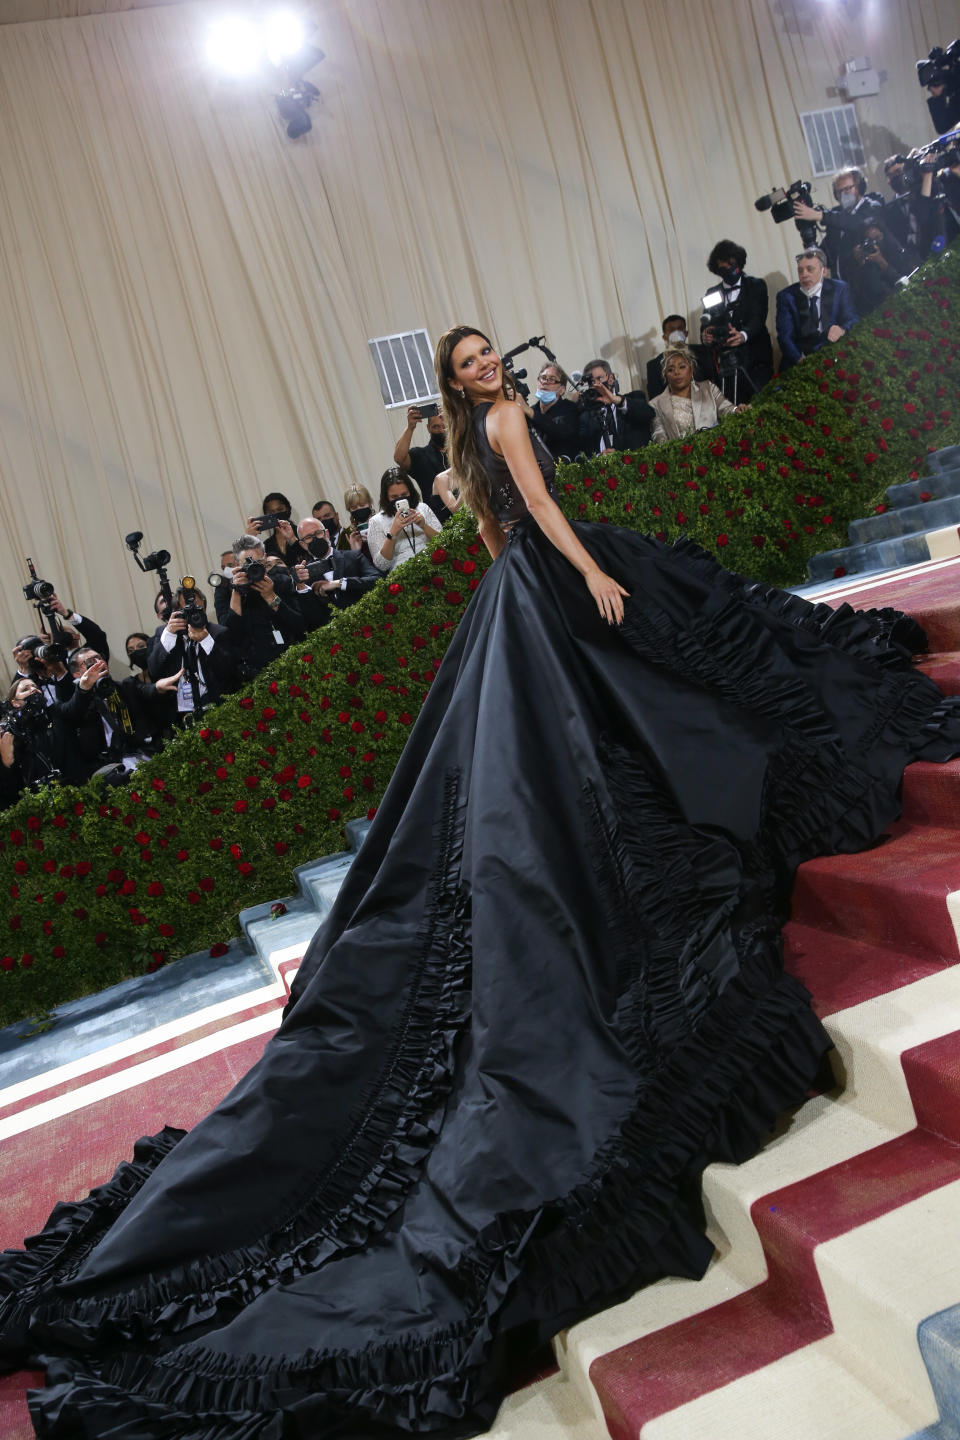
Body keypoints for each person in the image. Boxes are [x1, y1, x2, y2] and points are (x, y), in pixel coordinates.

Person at [6, 321, 960, 1438]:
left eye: (482, 358)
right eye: (466, 369)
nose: (484, 374)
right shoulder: (506, 423)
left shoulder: (464, 442)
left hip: (510, 600)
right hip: (554, 582)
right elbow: (544, 514)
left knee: (574, 755)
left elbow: (491, 531)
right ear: (465, 385)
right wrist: (598, 571)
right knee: (657, 707)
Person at [146, 589, 239, 720]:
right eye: (185, 607)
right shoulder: (165, 633)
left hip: (218, 708)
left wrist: (206, 640)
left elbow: (229, 672)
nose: (192, 610)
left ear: (204, 604)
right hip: (183, 714)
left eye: (196, 604)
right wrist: (169, 636)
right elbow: (154, 670)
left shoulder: (219, 632)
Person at [222, 534, 306, 677]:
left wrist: (270, 596)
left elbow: (300, 625)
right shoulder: (230, 592)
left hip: (294, 658)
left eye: (257, 562)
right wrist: (236, 592)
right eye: (247, 564)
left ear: (265, 558)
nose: (253, 568)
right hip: (259, 671)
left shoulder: (282, 581)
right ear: (237, 565)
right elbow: (232, 636)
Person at [791, 167, 883, 283]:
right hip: (844, 289)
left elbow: (856, 223)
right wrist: (808, 240)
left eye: (848, 189)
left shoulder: (872, 206)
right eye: (839, 191)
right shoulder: (836, 217)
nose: (843, 194)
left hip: (872, 286)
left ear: (859, 188)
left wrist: (819, 215)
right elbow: (826, 254)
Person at [776, 247, 859, 370]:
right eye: (800, 270)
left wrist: (842, 329)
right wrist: (802, 362)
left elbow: (853, 319)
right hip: (800, 360)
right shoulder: (787, 296)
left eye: (810, 269)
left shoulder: (839, 289)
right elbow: (785, 337)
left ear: (823, 271)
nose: (804, 275)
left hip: (833, 355)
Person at [649, 344, 748, 443]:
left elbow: (726, 408)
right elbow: (659, 437)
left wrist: (736, 410)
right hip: (682, 455)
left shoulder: (708, 388)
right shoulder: (655, 404)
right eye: (670, 369)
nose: (677, 372)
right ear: (665, 375)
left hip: (716, 447)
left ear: (691, 369)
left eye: (682, 367)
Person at [366, 467, 442, 574]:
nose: (400, 499)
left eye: (404, 495)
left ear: (410, 491)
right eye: (394, 497)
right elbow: (381, 565)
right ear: (386, 497)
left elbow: (442, 542)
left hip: (434, 566)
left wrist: (424, 526)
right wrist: (392, 533)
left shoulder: (423, 508)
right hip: (403, 578)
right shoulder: (376, 521)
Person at [294, 516, 379, 608]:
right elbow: (312, 616)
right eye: (308, 537)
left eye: (318, 533)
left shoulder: (353, 556)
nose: (315, 539)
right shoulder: (304, 575)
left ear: (326, 533)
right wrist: (301, 586)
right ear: (302, 544)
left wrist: (339, 583)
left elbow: (376, 580)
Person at [577, 356, 655, 453]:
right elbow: (584, 450)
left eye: (599, 378)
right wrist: (599, 458)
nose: (597, 385)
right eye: (592, 382)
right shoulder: (586, 416)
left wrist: (617, 400)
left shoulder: (635, 397)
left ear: (611, 378)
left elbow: (649, 414)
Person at [393, 405, 452, 521]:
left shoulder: (463, 451)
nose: (441, 430)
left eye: (444, 427)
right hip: (438, 521)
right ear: (428, 428)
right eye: (436, 427)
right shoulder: (420, 455)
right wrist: (410, 427)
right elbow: (399, 458)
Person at [847, 217, 913, 317]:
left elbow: (907, 283)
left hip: (906, 305)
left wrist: (882, 262)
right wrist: (860, 264)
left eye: (878, 238)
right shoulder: (863, 264)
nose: (875, 244)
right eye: (870, 241)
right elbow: (859, 299)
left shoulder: (900, 254)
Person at [646, 314, 717, 400]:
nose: (676, 332)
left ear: (686, 333)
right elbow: (655, 399)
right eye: (672, 330)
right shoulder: (654, 365)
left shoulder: (703, 352)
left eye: (680, 328)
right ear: (664, 337)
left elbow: (714, 381)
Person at [523, 360, 581, 461]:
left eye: (552, 380)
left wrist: (528, 411)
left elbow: (559, 430)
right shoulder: (531, 410)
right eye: (543, 378)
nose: (545, 382)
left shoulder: (570, 408)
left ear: (562, 390)